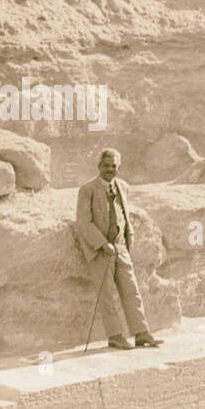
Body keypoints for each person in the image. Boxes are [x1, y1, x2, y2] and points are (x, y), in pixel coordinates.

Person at [75, 148, 162, 350]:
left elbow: (123, 214)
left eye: (114, 166)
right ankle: (115, 335)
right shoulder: (87, 189)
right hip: (100, 250)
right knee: (106, 294)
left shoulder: (122, 186)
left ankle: (141, 333)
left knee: (132, 291)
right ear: (99, 166)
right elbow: (84, 222)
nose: (110, 170)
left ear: (118, 168)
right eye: (106, 165)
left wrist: (125, 239)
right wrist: (102, 243)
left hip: (121, 247)